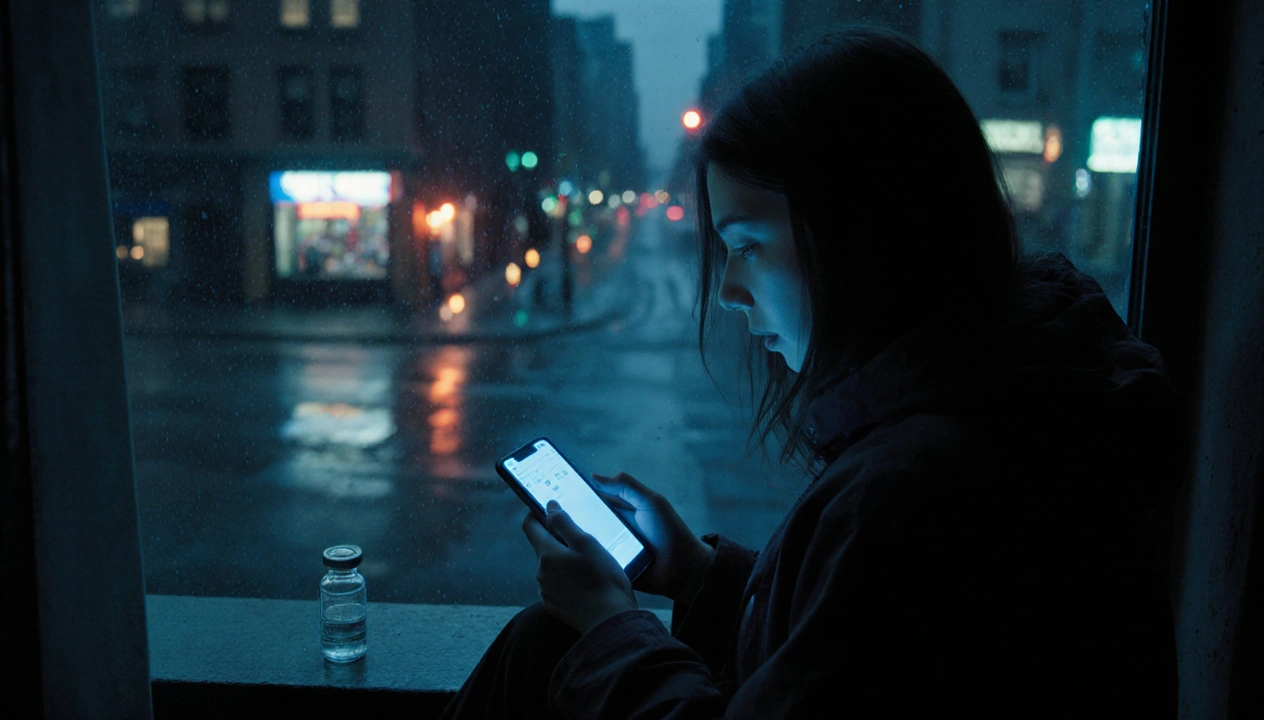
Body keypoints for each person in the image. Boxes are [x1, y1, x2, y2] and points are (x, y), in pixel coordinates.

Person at [442, 27, 1184, 719]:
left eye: (749, 244)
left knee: (554, 644)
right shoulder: (995, 412)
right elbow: (856, 650)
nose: (730, 289)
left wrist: (610, 626)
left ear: (861, 234)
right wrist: (699, 574)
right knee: (548, 643)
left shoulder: (918, 493)